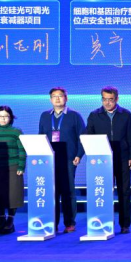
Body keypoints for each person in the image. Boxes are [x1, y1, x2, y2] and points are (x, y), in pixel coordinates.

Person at [84, 86, 131, 234]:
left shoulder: (125, 114)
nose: (107, 103)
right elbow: (88, 136)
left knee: (124, 191)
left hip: (123, 157)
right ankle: (105, 222)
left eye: (111, 99)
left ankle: (125, 224)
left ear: (117, 99)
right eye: (104, 99)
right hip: (102, 159)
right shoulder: (94, 115)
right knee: (103, 190)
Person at [38, 87, 85, 233]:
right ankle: (53, 223)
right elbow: (41, 137)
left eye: (60, 96)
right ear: (50, 99)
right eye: (54, 96)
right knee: (52, 191)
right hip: (50, 158)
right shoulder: (45, 116)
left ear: (66, 98)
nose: (57, 98)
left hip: (68, 157)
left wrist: (79, 155)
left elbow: (82, 137)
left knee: (68, 191)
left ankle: (69, 223)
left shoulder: (74, 116)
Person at [0, 106, 26, 235]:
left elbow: (22, 150)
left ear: (11, 118)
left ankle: (10, 220)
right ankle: (1, 219)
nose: (3, 119)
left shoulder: (16, 132)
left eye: (6, 116)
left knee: (13, 194)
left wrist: (21, 166)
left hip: (13, 166)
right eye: (0, 116)